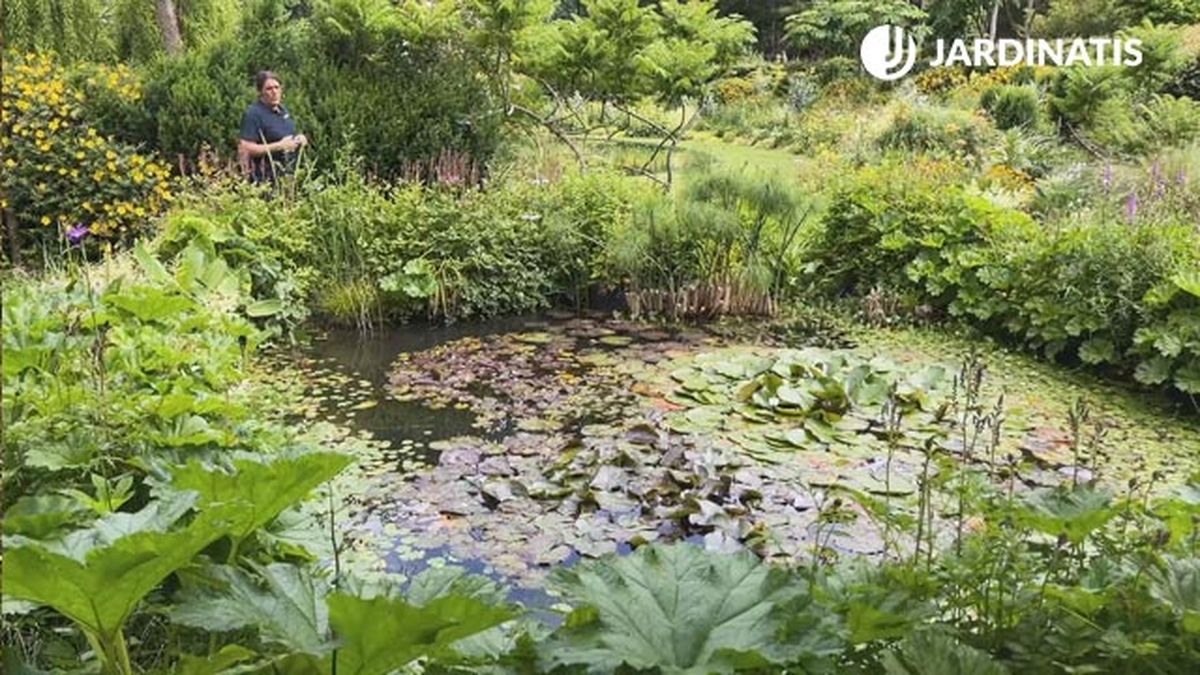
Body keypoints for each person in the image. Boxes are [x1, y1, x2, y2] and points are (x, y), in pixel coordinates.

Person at [238, 71, 307, 183]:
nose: (274, 92)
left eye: (277, 87)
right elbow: (246, 148)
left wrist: (299, 139)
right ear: (260, 92)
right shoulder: (253, 114)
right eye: (269, 89)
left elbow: (287, 136)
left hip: (288, 178)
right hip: (265, 180)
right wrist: (279, 146)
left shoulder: (282, 110)